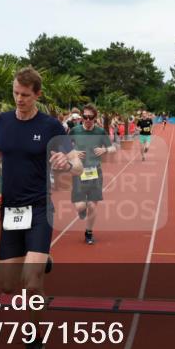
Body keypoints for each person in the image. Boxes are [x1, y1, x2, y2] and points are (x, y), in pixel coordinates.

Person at [0, 67, 81, 349]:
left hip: (39, 207)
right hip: (10, 209)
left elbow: (77, 164)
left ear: (37, 94)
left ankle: (34, 340)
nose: (19, 99)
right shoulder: (2, 121)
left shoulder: (51, 126)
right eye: (15, 93)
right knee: (7, 285)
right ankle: (44, 259)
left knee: (32, 283)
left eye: (25, 95)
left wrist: (67, 160)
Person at [68, 104, 113, 245]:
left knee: (93, 206)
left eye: (90, 117)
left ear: (95, 117)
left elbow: (113, 147)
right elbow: (64, 147)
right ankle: (82, 209)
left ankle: (89, 232)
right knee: (81, 207)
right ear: (82, 117)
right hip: (79, 172)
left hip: (95, 172)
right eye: (85, 117)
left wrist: (105, 150)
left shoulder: (100, 132)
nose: (87, 119)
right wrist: (73, 153)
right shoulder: (75, 130)